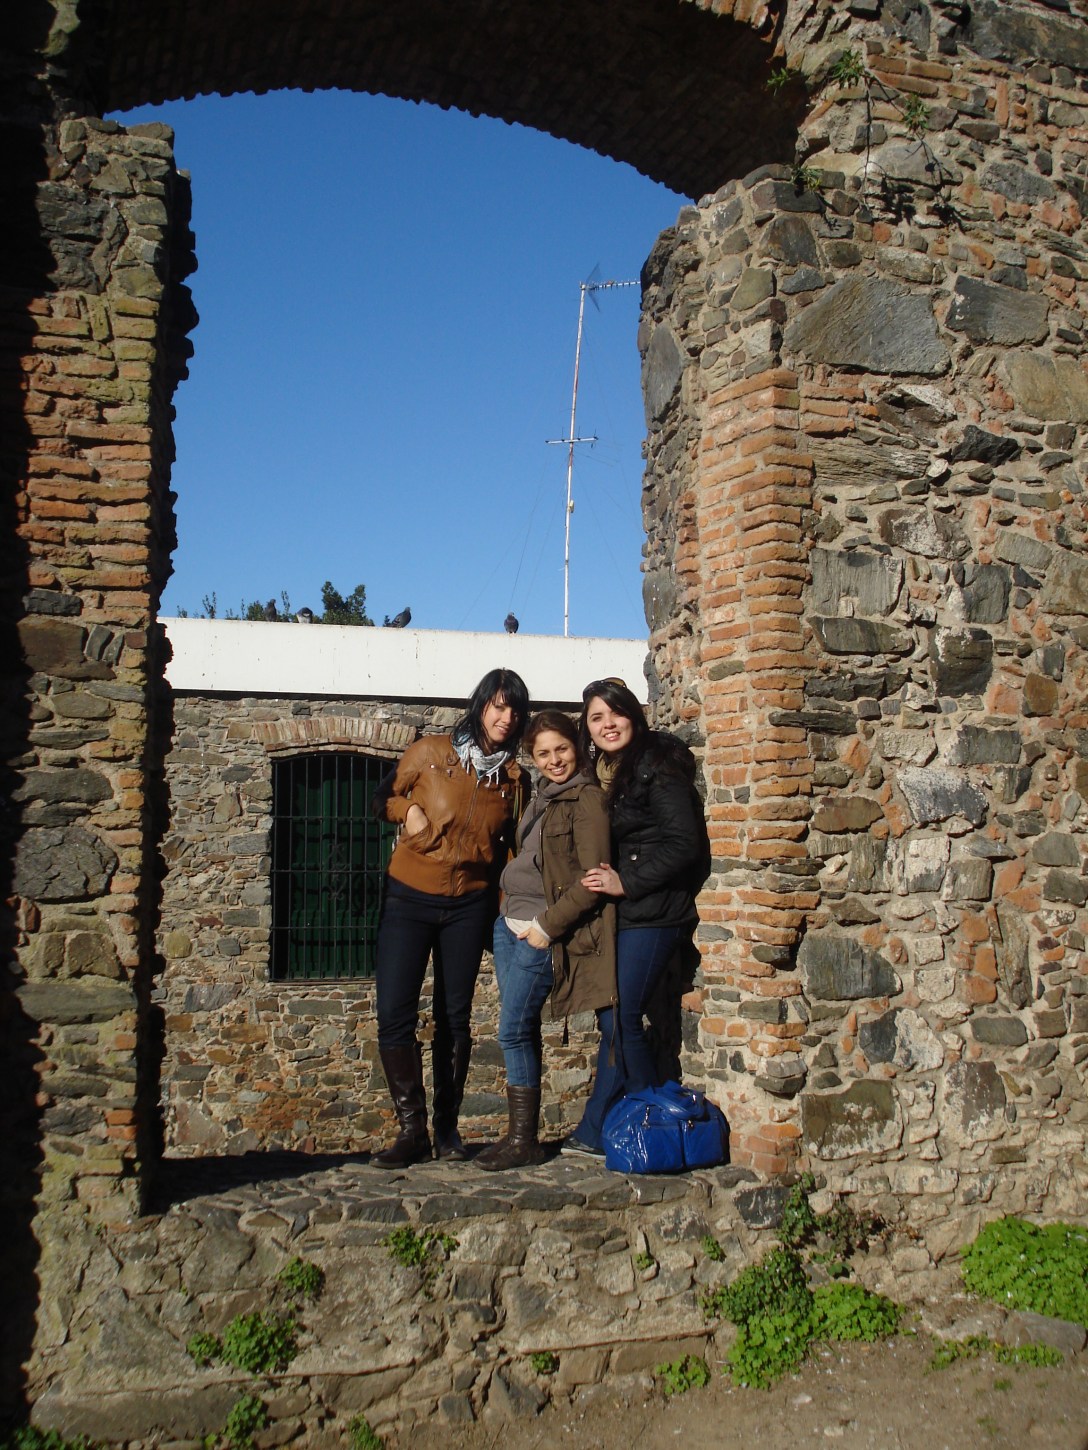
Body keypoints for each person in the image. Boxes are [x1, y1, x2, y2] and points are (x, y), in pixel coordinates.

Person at [371, 668, 530, 1168]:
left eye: (515, 710)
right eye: (498, 706)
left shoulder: (513, 779)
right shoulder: (431, 753)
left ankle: (446, 1131)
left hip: (469, 903)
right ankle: (411, 1129)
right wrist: (408, 814)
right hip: (409, 896)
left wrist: (513, 907)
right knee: (395, 1010)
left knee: (453, 1017)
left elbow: (512, 849)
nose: (506, 718)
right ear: (480, 705)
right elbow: (382, 798)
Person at [563, 677, 710, 1159]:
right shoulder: (608, 771)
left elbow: (684, 844)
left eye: (615, 714)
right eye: (596, 718)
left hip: (655, 913)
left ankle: (637, 1123)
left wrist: (627, 882)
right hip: (628, 916)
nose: (607, 725)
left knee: (622, 1016)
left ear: (634, 714)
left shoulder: (655, 764)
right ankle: (626, 1122)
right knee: (614, 1019)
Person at [477, 711, 617, 1171]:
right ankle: (523, 1138)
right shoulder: (539, 796)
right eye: (543, 753)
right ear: (532, 758)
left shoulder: (586, 799)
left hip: (540, 930)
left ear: (575, 747)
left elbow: (592, 880)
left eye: (561, 749)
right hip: (509, 923)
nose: (554, 760)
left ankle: (522, 1142)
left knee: (512, 1029)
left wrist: (546, 928)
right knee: (522, 1030)